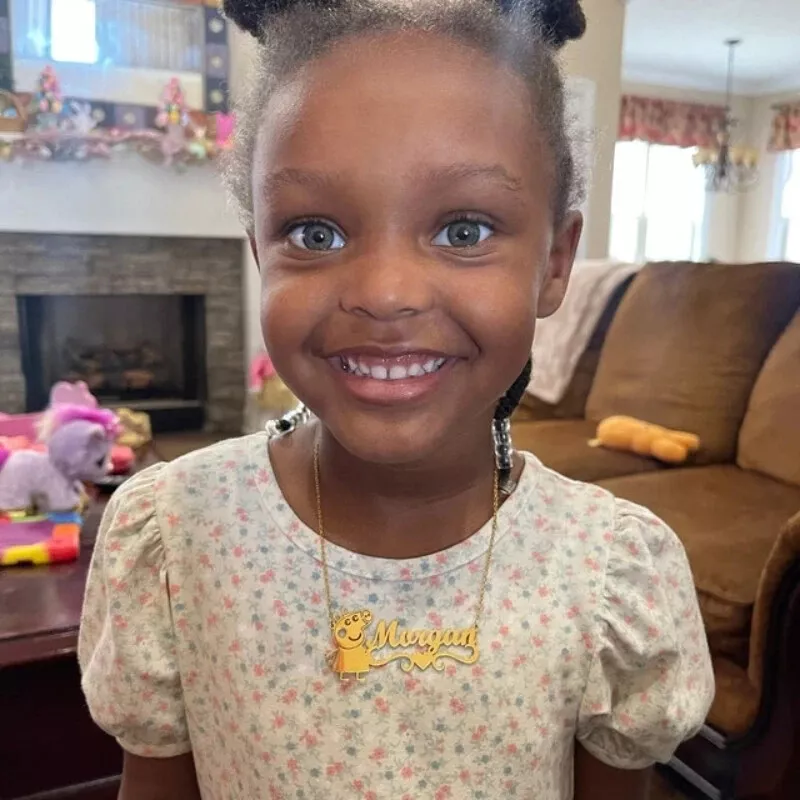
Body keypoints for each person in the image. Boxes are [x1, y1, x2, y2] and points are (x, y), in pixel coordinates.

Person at [78, 0, 715, 797]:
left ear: (555, 264)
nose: (384, 294)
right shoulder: (175, 539)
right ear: (261, 254)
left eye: (464, 230)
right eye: (315, 233)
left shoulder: (611, 575)